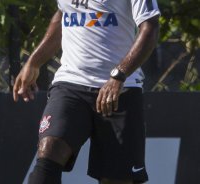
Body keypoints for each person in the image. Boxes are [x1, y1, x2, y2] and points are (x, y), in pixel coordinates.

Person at [13, 0, 160, 183]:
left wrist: (118, 76)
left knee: (116, 179)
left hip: (121, 89)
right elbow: (63, 15)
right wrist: (34, 62)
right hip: (70, 83)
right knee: (49, 150)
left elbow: (150, 28)